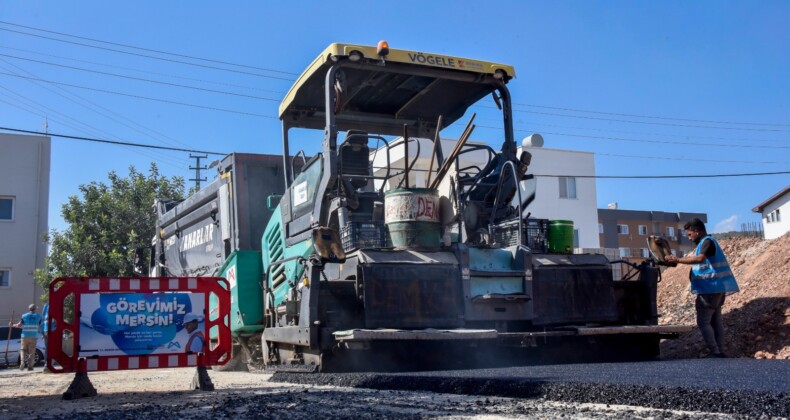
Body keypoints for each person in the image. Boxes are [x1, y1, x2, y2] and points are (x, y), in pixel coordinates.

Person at [665, 218, 739, 358]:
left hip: (709, 289)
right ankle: (720, 351)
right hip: (717, 288)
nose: (689, 237)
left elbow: (700, 259)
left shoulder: (707, 242)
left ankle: (715, 352)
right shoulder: (709, 242)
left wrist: (677, 260)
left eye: (690, 234)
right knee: (716, 321)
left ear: (697, 231)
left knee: (703, 322)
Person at [10, 304, 42, 370]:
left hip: (24, 336)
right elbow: (41, 325)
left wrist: (12, 324)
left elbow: (19, 325)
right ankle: (30, 366)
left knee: (23, 350)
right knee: (31, 352)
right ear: (35, 309)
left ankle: (22, 363)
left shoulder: (24, 316)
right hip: (33, 336)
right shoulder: (38, 316)